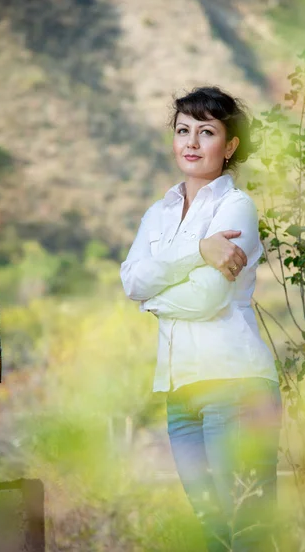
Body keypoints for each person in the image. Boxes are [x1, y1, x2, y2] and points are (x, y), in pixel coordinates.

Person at [120, 86, 282, 551]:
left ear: (229, 146)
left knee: (247, 529)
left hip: (235, 386)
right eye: (183, 130)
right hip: (179, 393)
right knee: (210, 533)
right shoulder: (158, 213)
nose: (191, 142)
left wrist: (153, 300)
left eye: (206, 131)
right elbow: (131, 280)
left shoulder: (235, 208)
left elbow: (207, 299)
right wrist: (198, 250)